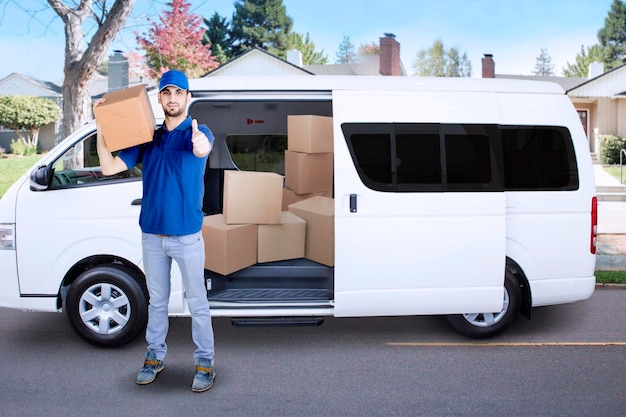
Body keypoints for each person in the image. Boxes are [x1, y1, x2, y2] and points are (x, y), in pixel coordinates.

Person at [95, 70, 216, 393]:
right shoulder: (147, 137)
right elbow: (109, 167)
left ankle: (205, 363)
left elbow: (203, 149)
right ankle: (154, 357)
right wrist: (100, 125)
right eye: (167, 93)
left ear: (188, 98)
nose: (173, 98)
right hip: (152, 236)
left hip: (187, 237)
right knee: (157, 301)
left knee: (198, 302)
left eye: (179, 92)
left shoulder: (199, 132)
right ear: (159, 98)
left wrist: (200, 143)